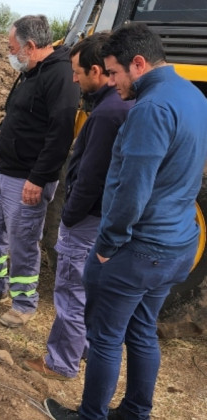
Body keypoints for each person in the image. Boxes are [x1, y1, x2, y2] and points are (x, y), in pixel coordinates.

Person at [45, 23, 207, 420]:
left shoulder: (149, 110)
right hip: (179, 242)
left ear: (138, 63)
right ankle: (135, 412)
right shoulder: (192, 94)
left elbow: (131, 190)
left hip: (140, 250)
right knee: (141, 330)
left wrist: (105, 247)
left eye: (115, 72)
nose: (112, 82)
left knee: (103, 338)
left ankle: (90, 415)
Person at [22, 34, 133, 381]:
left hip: (86, 217)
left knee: (71, 291)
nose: (73, 79)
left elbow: (90, 175)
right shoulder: (123, 105)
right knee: (88, 289)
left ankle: (59, 364)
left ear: (97, 70)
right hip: (105, 216)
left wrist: (69, 216)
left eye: (77, 72)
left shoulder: (106, 114)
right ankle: (81, 349)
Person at [0, 14, 79, 328]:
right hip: (6, 172)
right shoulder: (31, 72)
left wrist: (38, 178)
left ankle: (24, 303)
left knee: (23, 242)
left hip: (28, 179)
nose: (9, 53)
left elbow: (60, 135)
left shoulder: (59, 75)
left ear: (30, 46)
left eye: (11, 47)